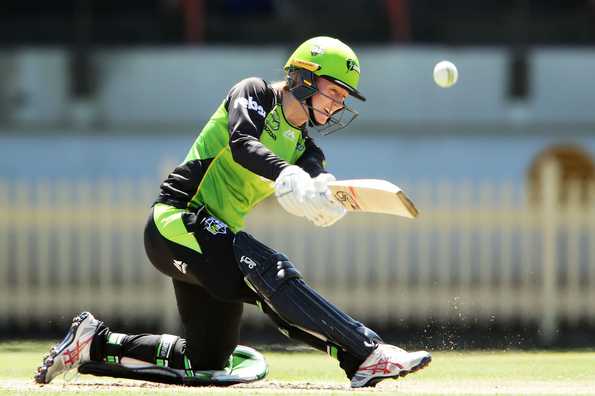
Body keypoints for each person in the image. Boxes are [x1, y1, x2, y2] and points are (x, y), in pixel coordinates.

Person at [35, 36, 431, 388]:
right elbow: (242, 142)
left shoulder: (307, 148)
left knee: (206, 360)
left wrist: (325, 197)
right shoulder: (255, 93)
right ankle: (365, 353)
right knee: (271, 271)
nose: (338, 103)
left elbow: (317, 178)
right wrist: (286, 173)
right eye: (334, 91)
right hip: (177, 222)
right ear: (304, 79)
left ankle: (92, 344)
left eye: (345, 98)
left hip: (213, 240)